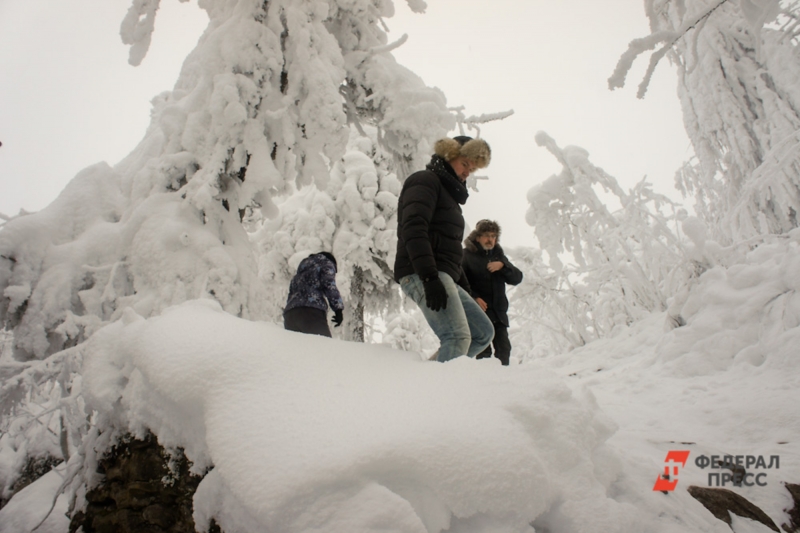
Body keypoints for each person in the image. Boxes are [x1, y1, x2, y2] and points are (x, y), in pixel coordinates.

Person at [394, 136, 495, 362]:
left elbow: (451, 254)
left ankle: (434, 376)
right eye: (465, 163)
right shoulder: (425, 180)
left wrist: (467, 291)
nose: (468, 171)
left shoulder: (451, 201)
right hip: (421, 272)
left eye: (473, 168)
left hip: (443, 274)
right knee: (457, 337)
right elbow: (414, 228)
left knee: (482, 333)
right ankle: (437, 393)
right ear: (449, 156)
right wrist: (429, 278)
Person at [461, 219, 523, 365]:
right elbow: (459, 282)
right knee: (483, 351)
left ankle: (503, 383)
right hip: (478, 311)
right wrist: (474, 297)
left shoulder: (499, 257)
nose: (490, 239)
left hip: (498, 312)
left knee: (504, 350)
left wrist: (503, 265)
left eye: (494, 236)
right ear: (477, 237)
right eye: (487, 235)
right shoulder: (466, 255)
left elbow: (517, 278)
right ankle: (484, 384)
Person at [283, 252, 344, 337]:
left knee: (299, 349)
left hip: (290, 315)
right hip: (311, 313)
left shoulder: (301, 272)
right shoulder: (326, 263)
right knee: (324, 347)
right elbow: (329, 285)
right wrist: (338, 310)